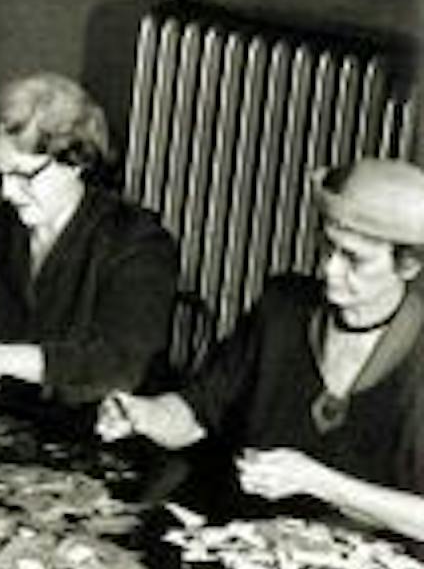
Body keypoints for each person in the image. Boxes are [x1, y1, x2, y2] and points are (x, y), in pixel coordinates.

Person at [96, 156, 424, 543]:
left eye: (354, 259)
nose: (330, 270)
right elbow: (199, 412)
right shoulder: (282, 309)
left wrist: (319, 482)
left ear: (408, 266)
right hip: (248, 547)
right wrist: (144, 415)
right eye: (328, 248)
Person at [0, 72, 177, 408]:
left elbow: (119, 365)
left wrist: (4, 359)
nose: (7, 192)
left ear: (76, 161)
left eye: (23, 175)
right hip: (12, 426)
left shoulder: (136, 242)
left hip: (106, 432)